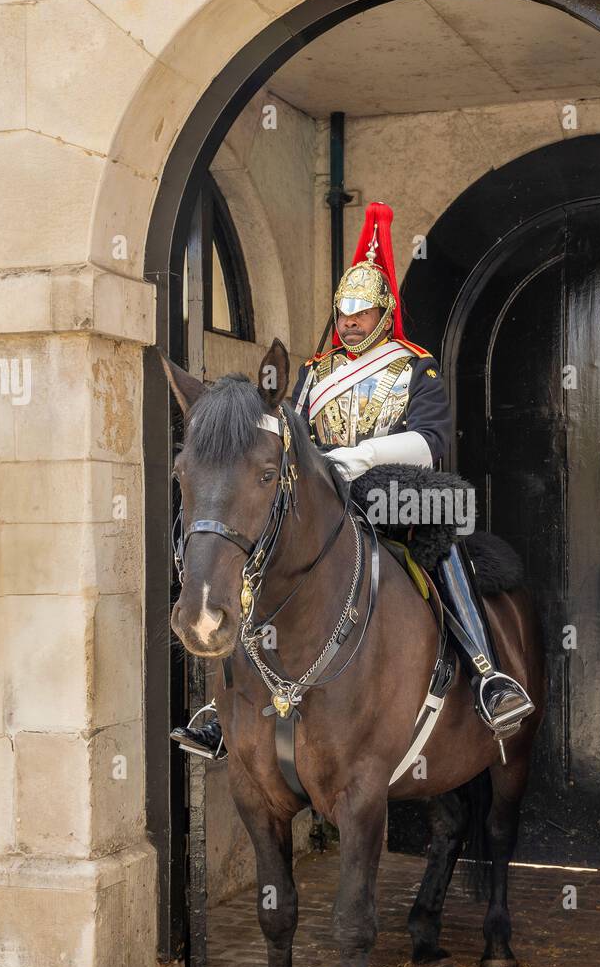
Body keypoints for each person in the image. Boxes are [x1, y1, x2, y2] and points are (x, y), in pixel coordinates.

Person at [172, 202, 533, 760]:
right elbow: (284, 434)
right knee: (251, 555)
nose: (349, 322)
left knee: (442, 538)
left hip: (391, 487)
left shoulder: (415, 368)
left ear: (385, 312)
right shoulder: (316, 373)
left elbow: (431, 445)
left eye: (361, 312)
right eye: (343, 312)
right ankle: (225, 709)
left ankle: (487, 675)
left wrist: (357, 458)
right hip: (323, 491)